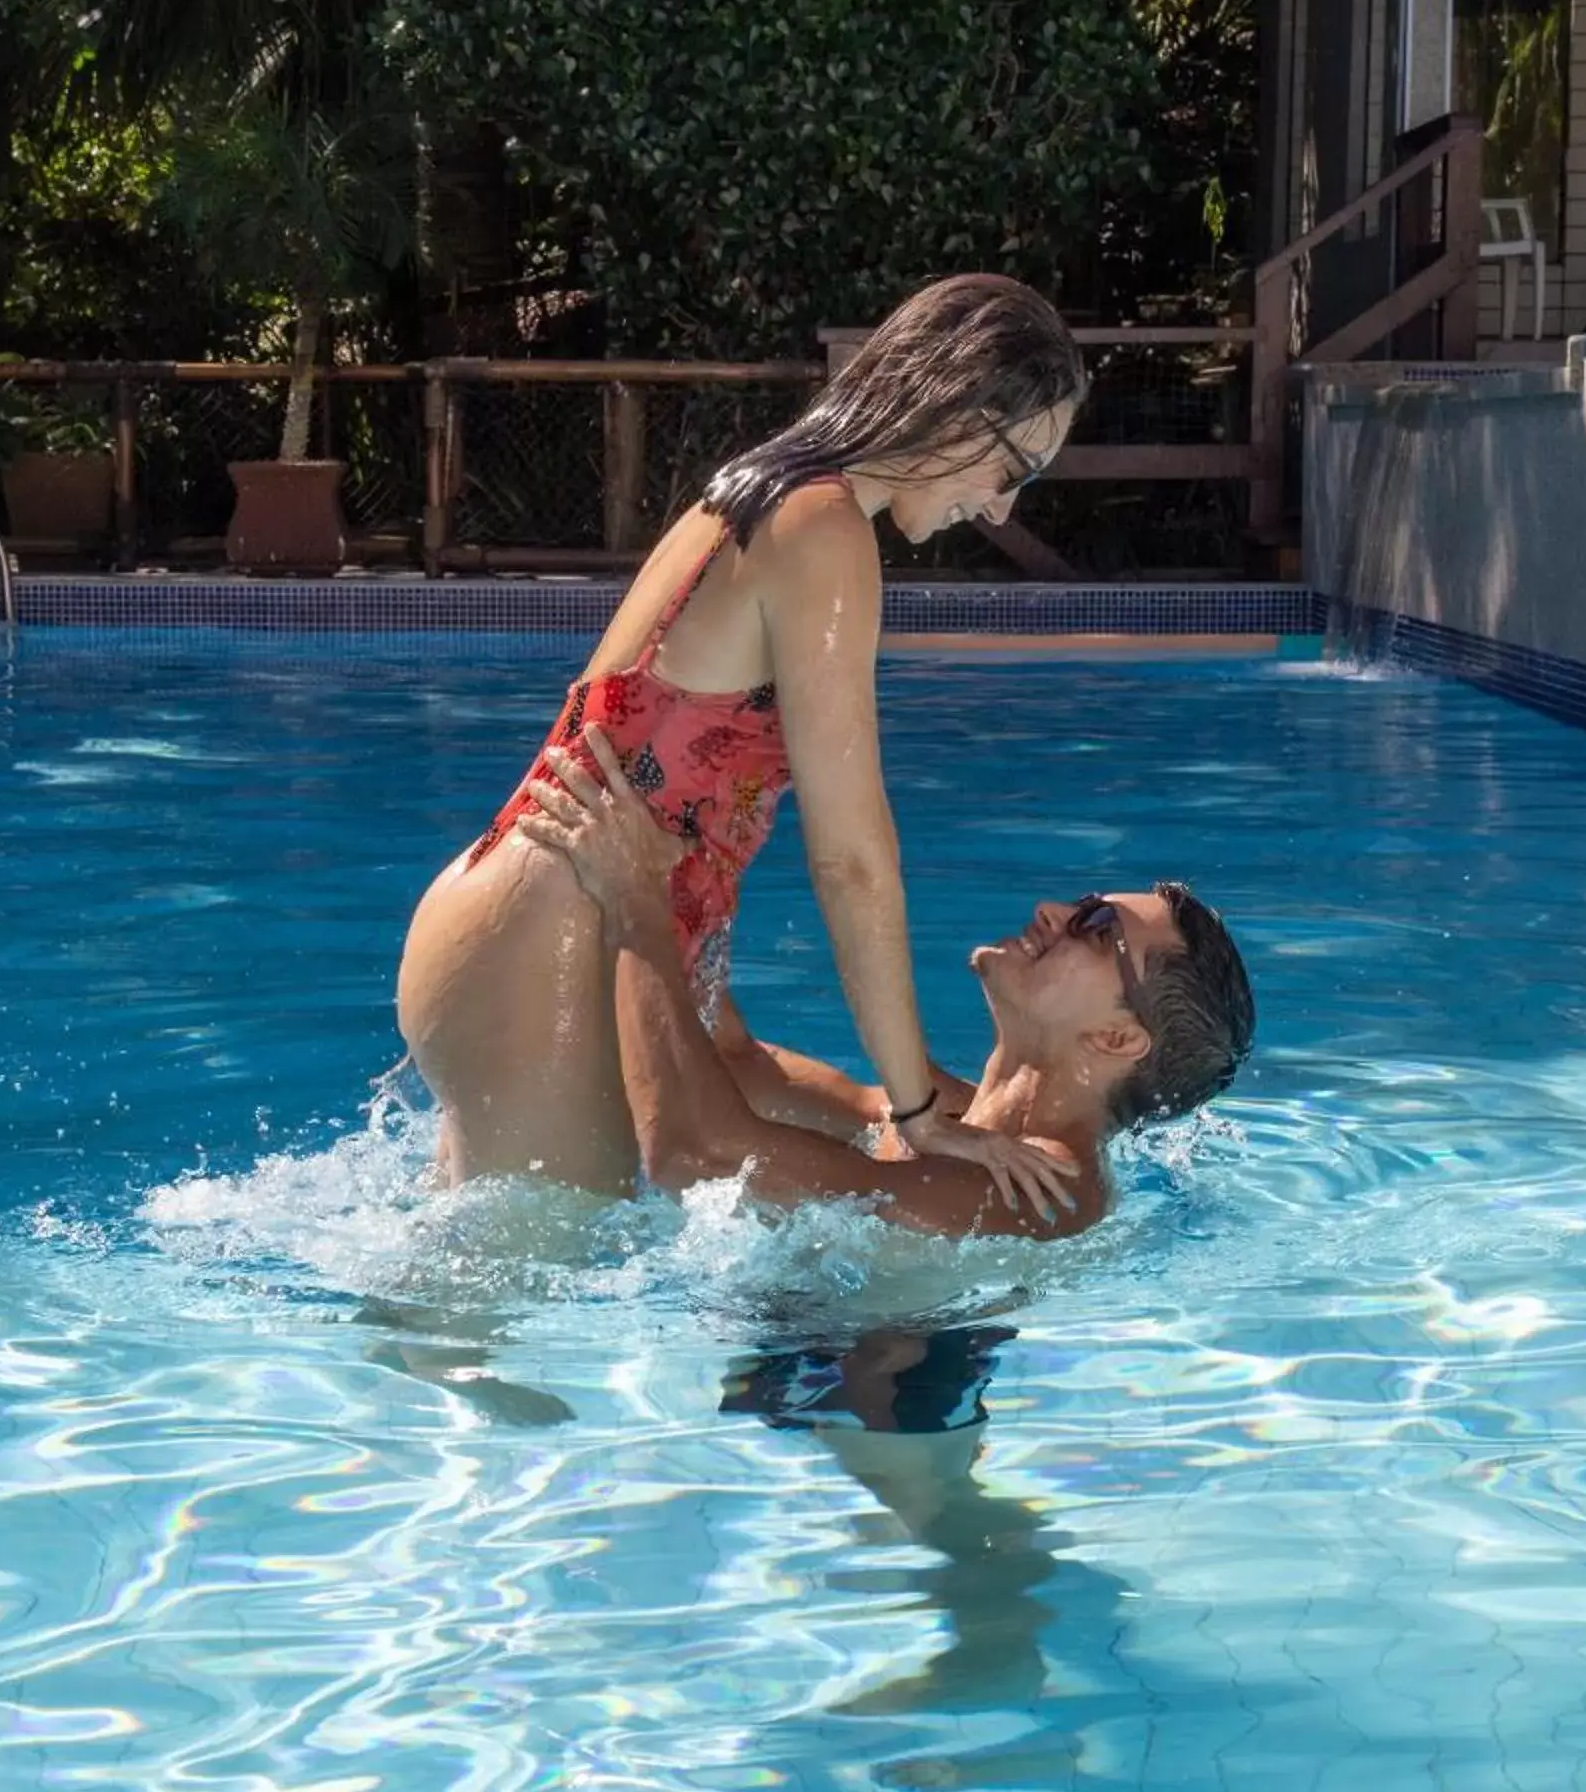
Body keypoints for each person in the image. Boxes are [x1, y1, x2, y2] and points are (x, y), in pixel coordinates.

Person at [397, 274, 1089, 1218]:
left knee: (465, 1301)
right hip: (556, 931)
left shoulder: (761, 491)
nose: (1005, 510)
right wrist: (923, 1114)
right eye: (1018, 472)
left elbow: (741, 1065)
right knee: (512, 1329)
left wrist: (913, 1105)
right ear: (960, 405)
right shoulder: (826, 531)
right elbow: (851, 857)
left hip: (528, 918)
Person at [512, 729, 1254, 1240]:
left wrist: (636, 903)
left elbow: (700, 1160)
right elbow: (735, 1063)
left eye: (1096, 927)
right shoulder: (952, 1116)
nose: (1055, 911)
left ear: (1118, 1037)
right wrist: (682, 872)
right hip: (788, 1360)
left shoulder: (1050, 1197)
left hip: (884, 1402)